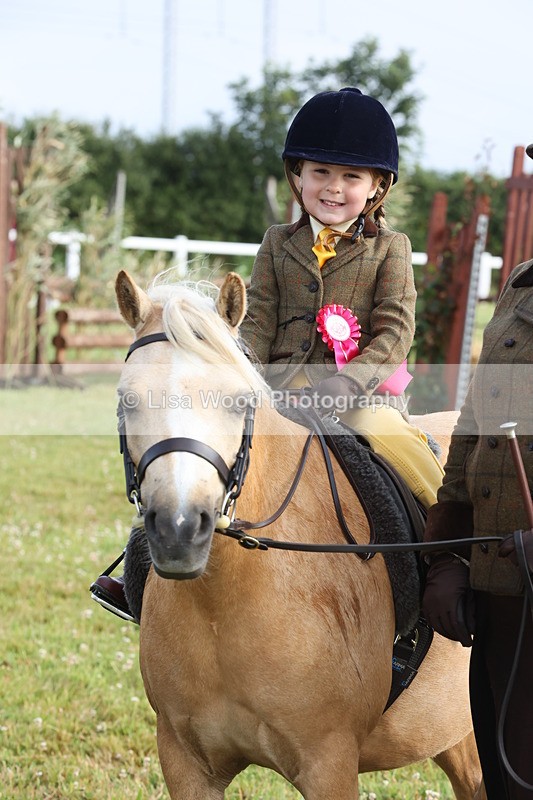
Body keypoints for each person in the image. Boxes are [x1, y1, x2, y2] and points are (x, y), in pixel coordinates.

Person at [91, 87, 444, 620]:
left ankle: (438, 567)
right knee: (190, 461)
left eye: (351, 178)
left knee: (413, 463)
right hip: (278, 395)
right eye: (321, 172)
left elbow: (395, 331)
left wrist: (346, 386)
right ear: (297, 176)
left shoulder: (389, 250)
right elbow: (254, 324)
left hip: (359, 399)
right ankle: (140, 578)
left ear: (376, 188)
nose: (333, 188)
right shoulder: (278, 243)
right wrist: (238, 371)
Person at [422, 145, 533, 799]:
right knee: (503, 778)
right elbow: (474, 428)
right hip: (499, 589)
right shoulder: (521, 285)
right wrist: (444, 556)